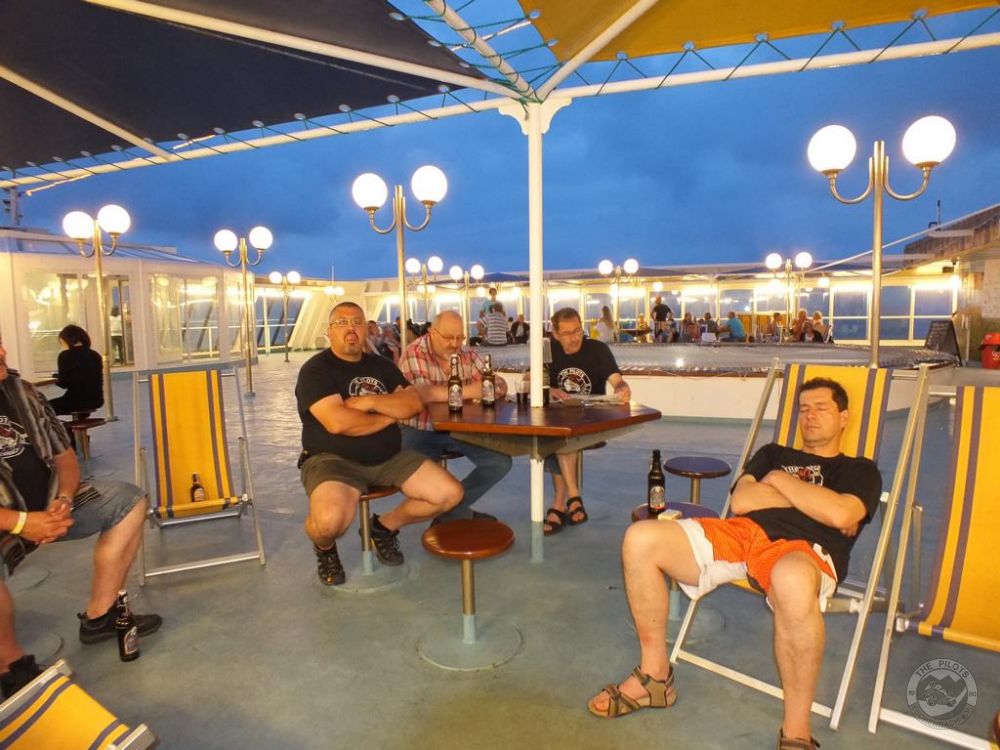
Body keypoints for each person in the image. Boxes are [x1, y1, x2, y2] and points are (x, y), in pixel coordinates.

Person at [587, 378, 881, 750]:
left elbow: (841, 515)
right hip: (742, 534)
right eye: (804, 409)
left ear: (844, 417)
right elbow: (742, 502)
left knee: (791, 578)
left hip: (803, 550)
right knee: (641, 538)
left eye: (821, 408)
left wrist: (777, 485)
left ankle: (796, 731)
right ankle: (655, 678)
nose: (810, 415)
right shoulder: (773, 455)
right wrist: (815, 499)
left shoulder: (859, 469)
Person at [0, 337, 162, 699]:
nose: (3, 353)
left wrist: (62, 499)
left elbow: (65, 457)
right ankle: (10, 670)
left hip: (49, 507)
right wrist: (23, 523)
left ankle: (100, 615)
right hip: (7, 521)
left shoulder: (22, 393)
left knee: (128, 501)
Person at [295, 301, 463, 586]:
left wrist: (370, 402)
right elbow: (339, 423)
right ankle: (325, 549)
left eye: (357, 322)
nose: (351, 328)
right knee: (329, 523)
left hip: (390, 456)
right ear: (329, 332)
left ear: (367, 330)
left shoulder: (381, 366)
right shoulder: (316, 370)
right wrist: (390, 413)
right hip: (333, 460)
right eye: (342, 323)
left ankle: (383, 526)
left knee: (449, 494)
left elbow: (413, 403)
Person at [399, 310, 512, 524]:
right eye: (448, 337)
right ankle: (455, 512)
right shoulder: (414, 352)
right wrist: (472, 391)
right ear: (432, 332)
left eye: (460, 337)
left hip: (459, 428)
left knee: (500, 463)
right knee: (419, 479)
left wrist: (498, 384)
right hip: (418, 428)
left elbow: (494, 381)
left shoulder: (467, 353)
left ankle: (452, 511)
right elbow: (423, 394)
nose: (455, 344)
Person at [542, 308, 631, 535]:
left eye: (577, 331)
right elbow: (530, 379)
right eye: (567, 333)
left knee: (562, 436)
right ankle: (570, 500)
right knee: (556, 435)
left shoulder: (598, 349)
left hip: (592, 421)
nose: (574, 338)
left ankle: (562, 501)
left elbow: (617, 381)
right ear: (555, 334)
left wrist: (622, 388)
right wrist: (549, 390)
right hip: (559, 419)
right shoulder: (548, 350)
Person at [49, 324, 103, 417]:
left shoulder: (65, 355)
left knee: (42, 408)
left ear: (66, 340)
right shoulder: (95, 355)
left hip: (75, 401)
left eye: (62, 342)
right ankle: (78, 425)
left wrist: (56, 378)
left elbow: (63, 383)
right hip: (96, 400)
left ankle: (58, 427)